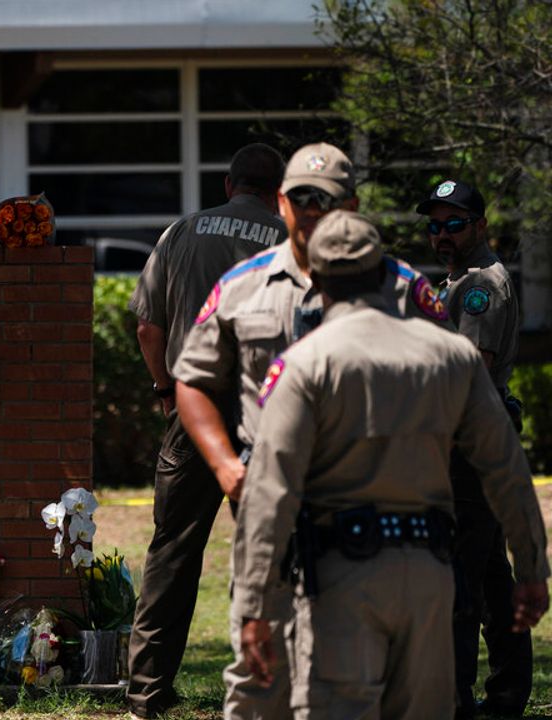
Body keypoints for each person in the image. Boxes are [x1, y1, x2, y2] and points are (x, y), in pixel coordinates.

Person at [172, 142, 449, 720]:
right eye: (301, 199)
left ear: (351, 205)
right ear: (280, 202)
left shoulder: (401, 287)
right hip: (271, 508)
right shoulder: (243, 285)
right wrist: (225, 465)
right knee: (260, 680)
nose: (312, 212)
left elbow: (452, 378)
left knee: (362, 685)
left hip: (371, 517)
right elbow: (192, 379)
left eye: (326, 201)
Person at [236, 210, 549, 719]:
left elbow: (270, 494)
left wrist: (254, 605)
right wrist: (532, 568)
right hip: (429, 572)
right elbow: (505, 469)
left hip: (341, 573)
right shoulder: (454, 356)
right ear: (386, 273)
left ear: (316, 280)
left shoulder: (303, 365)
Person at [125, 143, 287, 718]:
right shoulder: (290, 241)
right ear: (278, 190)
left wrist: (168, 391)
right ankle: (272, 687)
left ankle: (146, 690)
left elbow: (147, 328)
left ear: (228, 184)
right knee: (272, 552)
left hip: (193, 413)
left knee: (172, 550)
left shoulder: (180, 233)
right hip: (267, 416)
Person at [416, 180, 530, 718]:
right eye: (435, 225)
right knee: (488, 575)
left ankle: (454, 700)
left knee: (458, 578)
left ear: (480, 225)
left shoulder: (481, 283)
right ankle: (507, 693)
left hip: (468, 445)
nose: (442, 234)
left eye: (454, 224)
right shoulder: (461, 278)